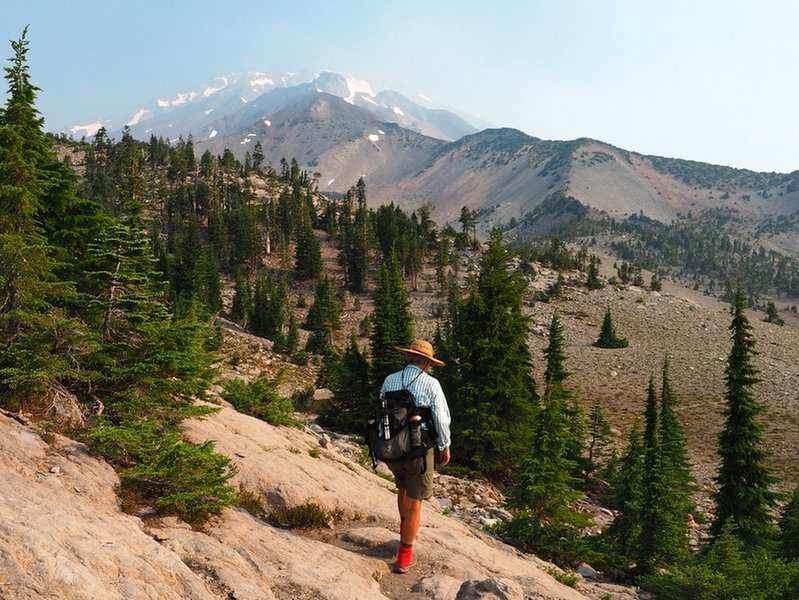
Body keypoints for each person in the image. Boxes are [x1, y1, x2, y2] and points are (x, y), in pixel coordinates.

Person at [380, 338, 451, 574]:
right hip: (417, 449)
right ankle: (404, 556)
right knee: (416, 499)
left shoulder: (389, 379)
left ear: (408, 356)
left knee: (402, 489)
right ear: (426, 363)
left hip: (392, 449)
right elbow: (441, 419)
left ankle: (403, 529)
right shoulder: (432, 384)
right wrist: (445, 445)